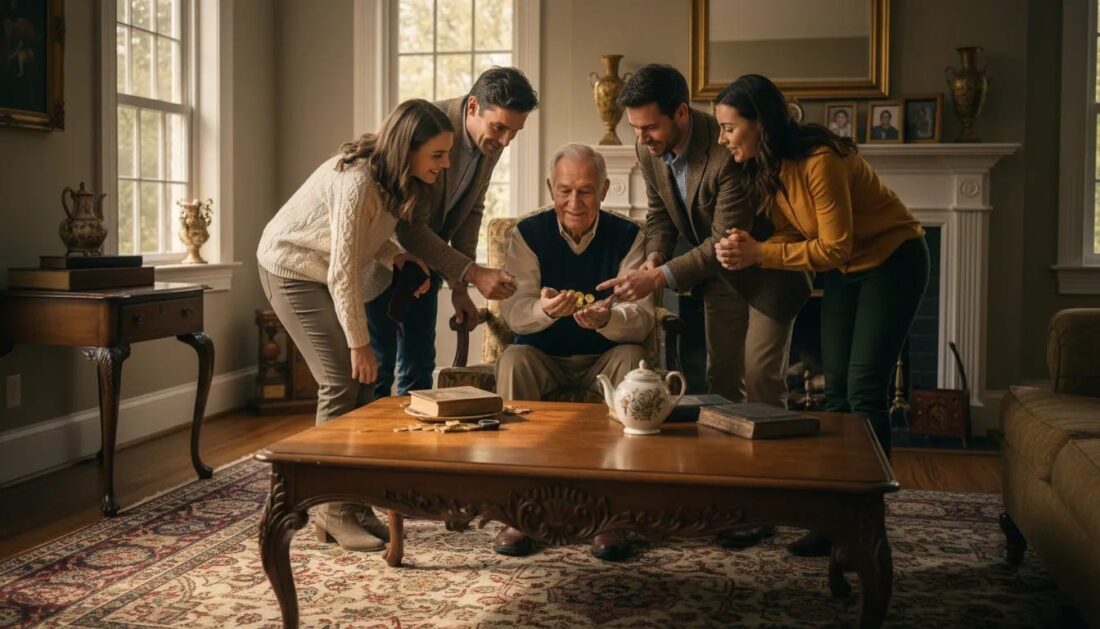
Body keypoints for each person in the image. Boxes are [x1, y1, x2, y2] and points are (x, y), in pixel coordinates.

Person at [712, 74, 929, 557]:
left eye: (728, 128)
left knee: (865, 390)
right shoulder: (772, 167)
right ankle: (834, 518)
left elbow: (834, 246)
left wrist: (760, 254)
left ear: (760, 123)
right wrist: (751, 245)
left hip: (894, 261)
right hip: (848, 271)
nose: (723, 139)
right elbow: (795, 234)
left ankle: (866, 526)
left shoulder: (820, 160)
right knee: (835, 394)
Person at [600, 64, 811, 550]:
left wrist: (657, 278)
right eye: (635, 128)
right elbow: (659, 215)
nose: (642, 138)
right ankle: (728, 498)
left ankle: (769, 504)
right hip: (718, 281)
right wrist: (655, 255)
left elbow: (722, 241)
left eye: (650, 127)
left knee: (761, 381)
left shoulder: (724, 151)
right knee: (721, 384)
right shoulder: (647, 146)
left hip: (767, 274)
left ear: (680, 112)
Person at [257, 99, 454, 552]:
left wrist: (396, 255)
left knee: (366, 386)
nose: (444, 164)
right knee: (341, 380)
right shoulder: (358, 181)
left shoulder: (393, 181)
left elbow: (367, 238)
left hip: (321, 269)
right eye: (438, 155)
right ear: (408, 148)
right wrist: (358, 343)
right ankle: (331, 510)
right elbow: (343, 270)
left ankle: (355, 506)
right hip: (289, 268)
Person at [491, 143, 654, 561]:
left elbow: (642, 317)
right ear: (551, 189)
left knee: (632, 357)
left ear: (605, 190)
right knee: (513, 360)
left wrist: (606, 319)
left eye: (585, 191)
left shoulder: (629, 237)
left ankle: (614, 513)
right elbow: (514, 313)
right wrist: (545, 310)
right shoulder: (528, 234)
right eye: (565, 191)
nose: (574, 202)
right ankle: (519, 507)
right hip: (543, 357)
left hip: (604, 357)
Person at [364, 67, 538, 398]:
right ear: (473, 107)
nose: (505, 141)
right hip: (385, 260)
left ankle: (415, 433)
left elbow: (471, 210)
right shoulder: (426, 127)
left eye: (514, 133)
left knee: (419, 370)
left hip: (430, 264)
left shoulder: (491, 142)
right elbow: (409, 228)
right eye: (499, 128)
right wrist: (474, 273)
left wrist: (460, 287)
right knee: (378, 372)